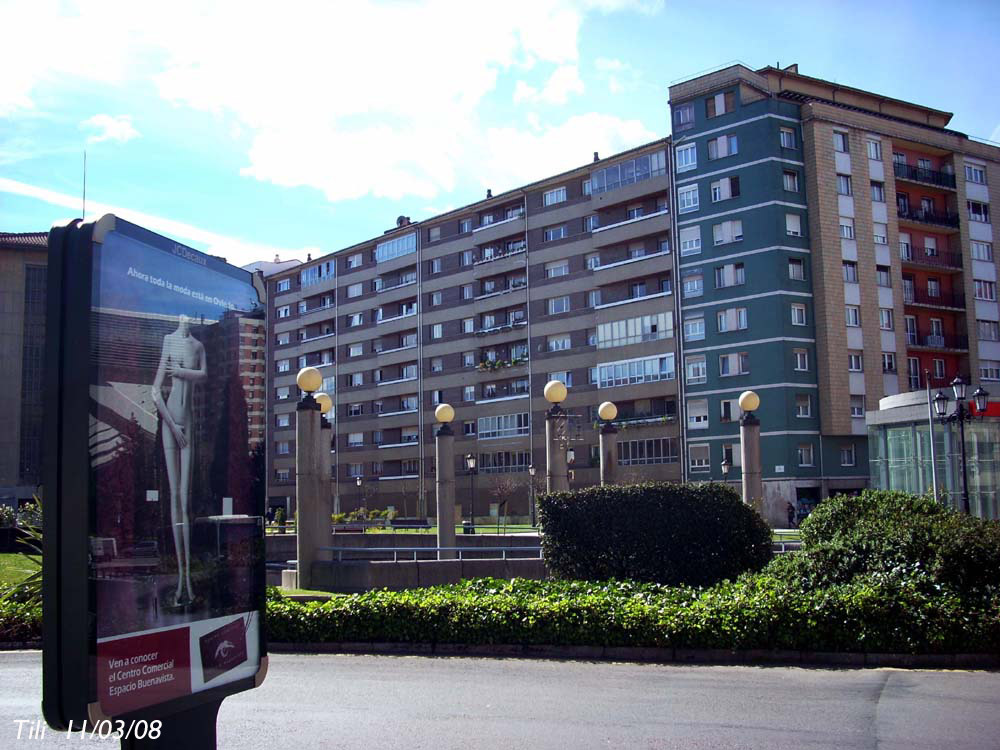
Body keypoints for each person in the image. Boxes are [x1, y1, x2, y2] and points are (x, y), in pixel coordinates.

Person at [152, 315, 207, 606]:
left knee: (185, 502)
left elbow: (204, 374)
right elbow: (155, 391)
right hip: (172, 423)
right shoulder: (168, 341)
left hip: (189, 421)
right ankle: (179, 581)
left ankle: (187, 580)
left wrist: (182, 372)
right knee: (174, 497)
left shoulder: (198, 346)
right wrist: (173, 427)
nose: (184, 319)